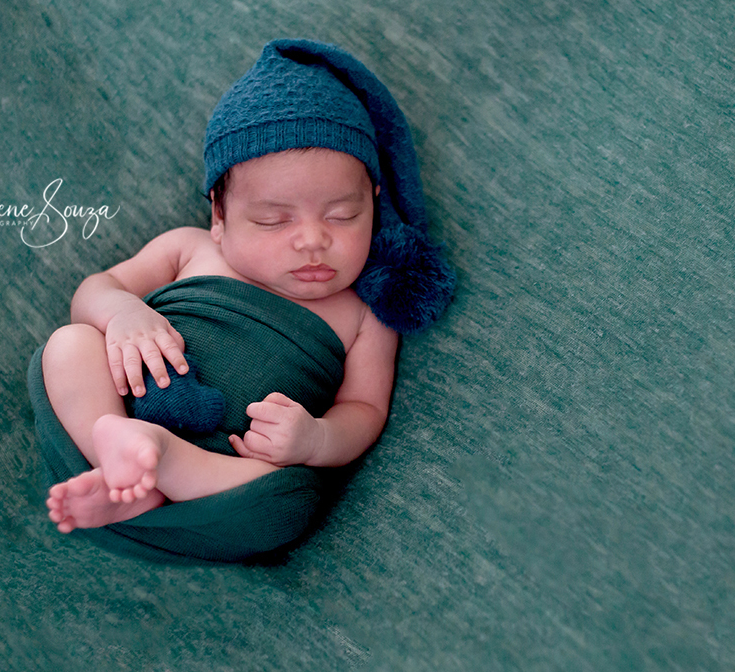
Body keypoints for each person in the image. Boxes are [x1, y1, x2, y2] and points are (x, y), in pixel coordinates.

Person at [32, 39, 455, 548]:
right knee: (68, 345)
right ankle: (120, 459)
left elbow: (365, 409)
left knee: (291, 501)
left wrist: (316, 439)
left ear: (375, 200)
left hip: (222, 477)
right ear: (219, 216)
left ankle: (155, 470)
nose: (313, 240)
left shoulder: (364, 312)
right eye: (273, 220)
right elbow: (95, 289)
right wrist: (122, 311)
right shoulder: (187, 249)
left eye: (344, 215)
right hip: (120, 410)